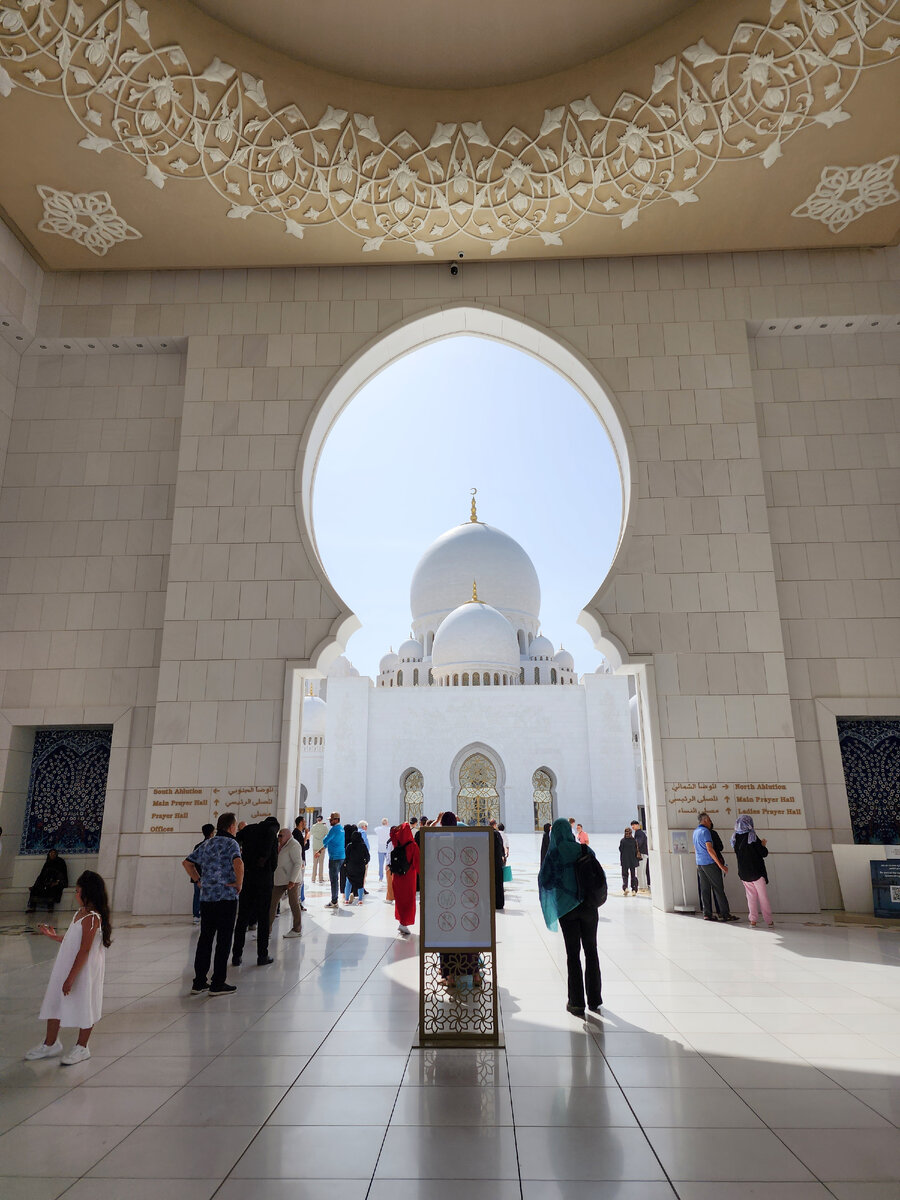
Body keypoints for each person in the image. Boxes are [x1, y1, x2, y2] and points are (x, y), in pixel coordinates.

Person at [25, 869, 111, 1064]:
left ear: (88, 893)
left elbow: (85, 950)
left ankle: (82, 1047)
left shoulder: (92, 918)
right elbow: (74, 940)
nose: (76, 894)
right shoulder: (79, 914)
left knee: (84, 1002)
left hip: (83, 971)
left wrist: (71, 978)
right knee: (55, 1001)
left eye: (78, 890)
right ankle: (50, 1044)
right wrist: (55, 937)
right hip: (66, 966)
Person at [538, 818, 602, 1016]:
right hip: (589, 907)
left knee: (573, 954)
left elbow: (545, 881)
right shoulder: (584, 850)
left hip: (567, 910)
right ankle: (594, 999)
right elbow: (599, 876)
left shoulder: (554, 855)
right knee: (591, 951)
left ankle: (576, 1002)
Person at [183, 811, 243, 995]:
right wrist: (239, 884)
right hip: (226, 898)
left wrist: (199, 881)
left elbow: (187, 863)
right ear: (232, 827)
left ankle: (199, 982)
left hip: (207, 898)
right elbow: (238, 863)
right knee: (224, 940)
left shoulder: (207, 844)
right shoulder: (231, 843)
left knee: (205, 939)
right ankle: (218, 983)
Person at [232, 815, 279, 965]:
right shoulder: (272, 832)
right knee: (263, 918)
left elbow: (234, 841)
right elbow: (274, 861)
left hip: (247, 877)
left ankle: (236, 955)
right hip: (264, 880)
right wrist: (268, 869)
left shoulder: (249, 829)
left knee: (242, 918)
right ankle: (262, 955)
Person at [732, 814, 774, 927]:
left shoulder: (735, 838)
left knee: (750, 897)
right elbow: (763, 853)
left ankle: (753, 920)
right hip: (756, 872)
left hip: (744, 873)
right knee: (763, 897)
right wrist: (763, 845)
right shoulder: (752, 836)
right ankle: (769, 920)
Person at [694, 812, 737, 922]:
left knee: (705, 889)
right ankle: (724, 913)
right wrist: (721, 865)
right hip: (709, 863)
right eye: (709, 820)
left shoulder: (696, 832)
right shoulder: (705, 832)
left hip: (700, 864)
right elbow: (710, 849)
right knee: (718, 888)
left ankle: (707, 913)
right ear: (705, 820)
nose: (710, 822)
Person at [270, 827, 304, 938]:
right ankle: (266, 930)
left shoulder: (294, 845)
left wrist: (292, 880)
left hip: (291, 880)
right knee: (272, 903)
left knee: (294, 903)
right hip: (280, 879)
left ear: (288, 836)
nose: (279, 838)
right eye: (278, 835)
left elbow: (298, 863)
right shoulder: (281, 845)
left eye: (281, 836)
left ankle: (297, 929)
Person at [391, 821, 419, 936]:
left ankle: (401, 921)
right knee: (408, 900)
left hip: (397, 877)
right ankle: (404, 923)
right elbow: (418, 864)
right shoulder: (412, 845)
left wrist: (396, 829)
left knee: (400, 900)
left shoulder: (396, 844)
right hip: (408, 878)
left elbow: (392, 833)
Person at [190, 823, 215, 924]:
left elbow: (192, 862)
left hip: (198, 875)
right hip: (209, 876)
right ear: (212, 833)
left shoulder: (198, 846)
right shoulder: (214, 845)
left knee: (197, 895)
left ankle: (196, 915)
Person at [323, 812, 345, 908]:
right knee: (338, 878)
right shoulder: (341, 829)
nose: (330, 822)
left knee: (334, 879)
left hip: (334, 857)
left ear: (336, 820)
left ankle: (334, 900)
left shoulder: (334, 829)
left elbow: (325, 841)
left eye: (331, 820)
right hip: (341, 856)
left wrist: (326, 838)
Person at [344, 825, 370, 905]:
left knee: (348, 883)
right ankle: (360, 900)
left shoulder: (349, 846)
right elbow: (367, 857)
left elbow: (346, 857)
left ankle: (346, 899)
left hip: (351, 868)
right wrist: (365, 863)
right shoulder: (363, 846)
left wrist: (346, 864)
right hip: (360, 867)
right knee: (360, 883)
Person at [292, 815, 309, 908]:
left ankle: (299, 900)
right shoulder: (296, 833)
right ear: (300, 823)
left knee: (300, 881)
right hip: (299, 860)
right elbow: (301, 846)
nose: (305, 823)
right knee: (299, 881)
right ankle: (297, 901)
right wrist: (306, 835)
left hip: (301, 859)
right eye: (304, 821)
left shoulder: (298, 833)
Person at [619, 827, 639, 896]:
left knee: (625, 875)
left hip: (624, 861)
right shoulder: (634, 841)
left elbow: (620, 849)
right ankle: (634, 889)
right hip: (632, 861)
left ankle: (625, 888)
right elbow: (636, 850)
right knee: (633, 875)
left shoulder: (622, 841)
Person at [631, 820, 650, 891]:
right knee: (642, 871)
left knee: (640, 871)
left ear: (638, 825)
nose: (632, 826)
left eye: (634, 825)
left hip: (641, 854)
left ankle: (642, 886)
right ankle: (644, 886)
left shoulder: (639, 833)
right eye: (632, 825)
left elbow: (638, 843)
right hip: (644, 854)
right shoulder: (640, 833)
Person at [310, 815, 327, 884]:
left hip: (315, 847)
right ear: (322, 819)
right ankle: (320, 878)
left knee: (315, 863)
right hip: (322, 847)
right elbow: (327, 834)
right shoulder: (324, 827)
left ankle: (313, 878)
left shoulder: (314, 827)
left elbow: (311, 833)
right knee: (321, 863)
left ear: (317, 819)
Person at [376, 817, 391, 882]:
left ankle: (380, 877)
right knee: (388, 862)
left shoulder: (378, 829)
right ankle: (388, 876)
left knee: (381, 863)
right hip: (387, 848)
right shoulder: (389, 829)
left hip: (380, 848)